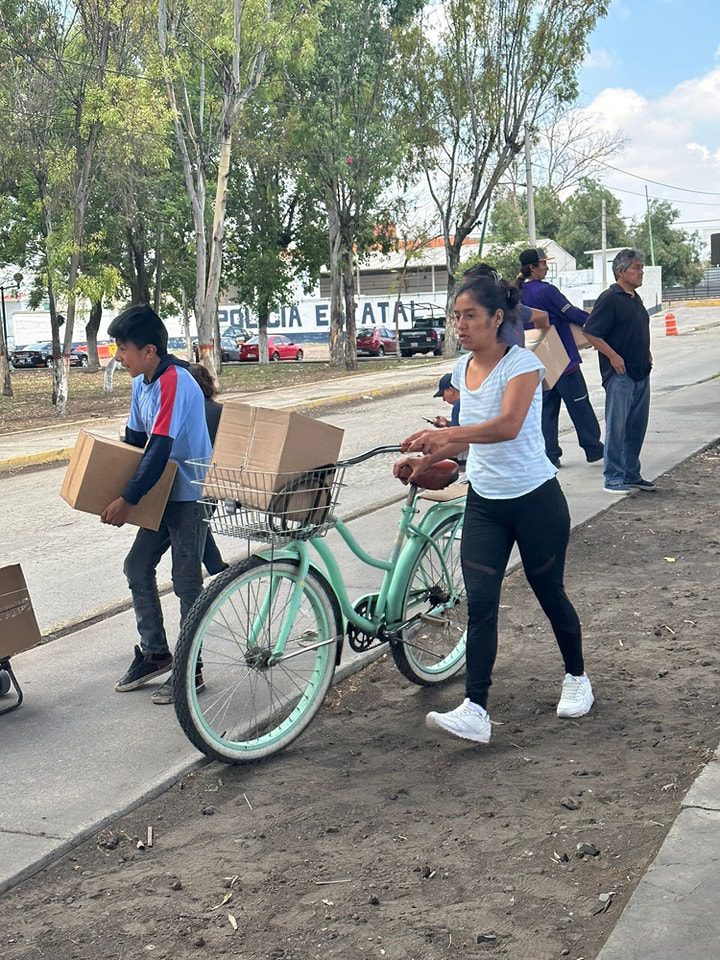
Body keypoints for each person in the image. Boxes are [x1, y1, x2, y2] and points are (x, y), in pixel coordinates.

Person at [393, 275, 593, 744]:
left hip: (535, 501)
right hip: (485, 503)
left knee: (549, 593)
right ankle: (476, 710)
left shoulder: (522, 364)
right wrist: (427, 459)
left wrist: (449, 436)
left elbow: (505, 427)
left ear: (497, 318)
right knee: (480, 605)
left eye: (470, 316)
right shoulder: (462, 370)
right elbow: (472, 443)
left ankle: (577, 678)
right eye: (455, 317)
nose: (460, 325)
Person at [101, 304, 211, 706]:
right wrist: (105, 485)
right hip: (161, 493)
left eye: (124, 349)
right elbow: (135, 442)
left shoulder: (174, 381)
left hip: (189, 494)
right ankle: (156, 653)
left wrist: (127, 499)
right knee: (136, 565)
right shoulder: (140, 384)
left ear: (149, 351)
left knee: (186, 581)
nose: (119, 356)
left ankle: (190, 669)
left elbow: (160, 447)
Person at [518, 248, 604, 468]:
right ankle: (593, 448)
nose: (546, 267)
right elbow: (571, 313)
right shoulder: (547, 291)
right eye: (543, 264)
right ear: (533, 268)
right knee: (580, 404)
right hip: (562, 358)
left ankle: (550, 454)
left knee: (547, 409)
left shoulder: (518, 294)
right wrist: (596, 321)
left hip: (538, 361)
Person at [582, 249, 654, 494]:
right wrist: (612, 356)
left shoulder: (634, 298)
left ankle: (631, 473)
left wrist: (648, 353)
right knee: (618, 426)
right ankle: (613, 477)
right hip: (620, 375)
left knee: (637, 426)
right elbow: (590, 331)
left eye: (641, 267)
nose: (641, 271)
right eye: (636, 267)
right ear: (621, 271)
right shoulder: (610, 298)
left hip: (641, 371)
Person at [188, 363, 229, 575]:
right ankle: (216, 567)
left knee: (197, 526)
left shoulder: (185, 411)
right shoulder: (221, 411)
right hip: (213, 479)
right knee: (199, 524)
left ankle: (216, 568)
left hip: (187, 480)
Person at [463, 262, 549, 346]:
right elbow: (542, 316)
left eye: (466, 289)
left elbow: (542, 316)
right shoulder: (512, 306)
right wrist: (538, 343)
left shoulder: (508, 310)